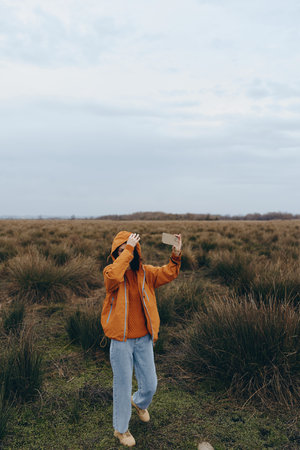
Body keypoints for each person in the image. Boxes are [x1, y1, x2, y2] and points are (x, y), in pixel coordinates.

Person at [101, 231, 182, 447]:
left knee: (150, 384)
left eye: (129, 249)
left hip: (144, 339)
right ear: (116, 253)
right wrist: (127, 249)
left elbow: (169, 273)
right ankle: (121, 430)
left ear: (137, 252)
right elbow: (113, 277)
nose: (126, 252)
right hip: (121, 341)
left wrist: (176, 255)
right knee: (123, 384)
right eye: (120, 250)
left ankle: (139, 403)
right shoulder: (112, 273)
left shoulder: (146, 274)